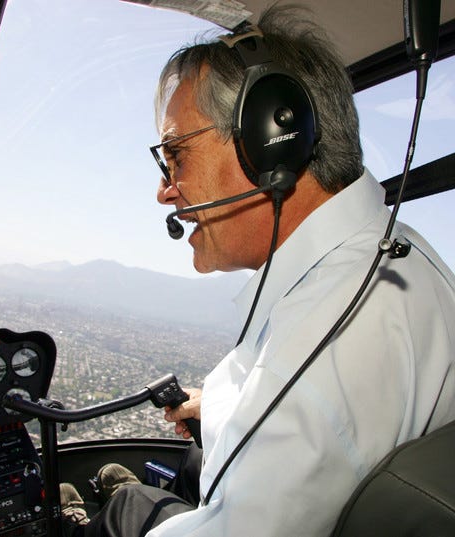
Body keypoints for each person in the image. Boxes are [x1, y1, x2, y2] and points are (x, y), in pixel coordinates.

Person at [61, 4, 455, 537]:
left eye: (175, 156)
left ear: (272, 138)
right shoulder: (389, 253)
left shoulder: (319, 356)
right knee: (178, 479)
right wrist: (216, 405)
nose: (164, 190)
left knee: (128, 510)